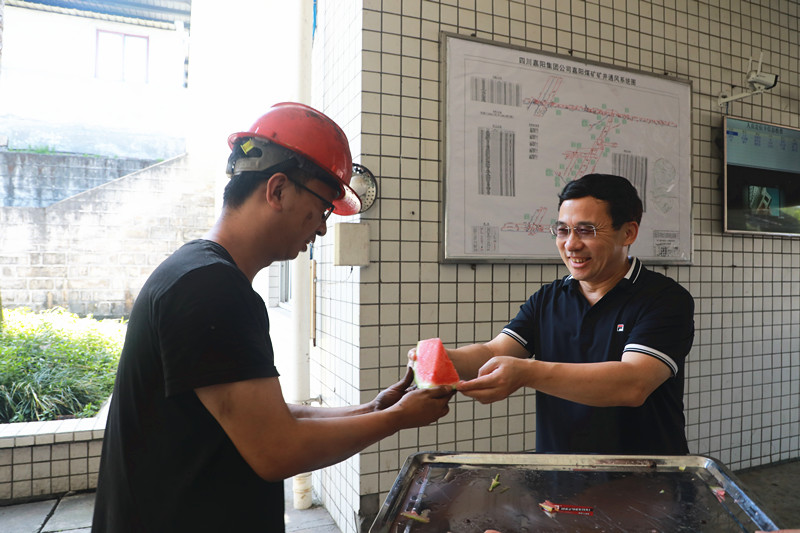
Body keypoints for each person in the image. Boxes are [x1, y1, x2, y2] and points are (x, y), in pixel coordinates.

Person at [92, 102, 454, 532]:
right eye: (322, 208)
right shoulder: (210, 290)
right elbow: (277, 449)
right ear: (278, 190)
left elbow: (272, 417)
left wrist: (371, 408)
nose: (322, 229)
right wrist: (399, 418)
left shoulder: (198, 273)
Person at [419, 174, 694, 455]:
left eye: (586, 230)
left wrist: (527, 372)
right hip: (560, 474)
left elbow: (633, 383)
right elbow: (495, 351)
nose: (571, 244)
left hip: (648, 474)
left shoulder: (664, 299)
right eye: (563, 230)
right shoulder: (548, 299)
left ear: (628, 233)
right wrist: (442, 358)